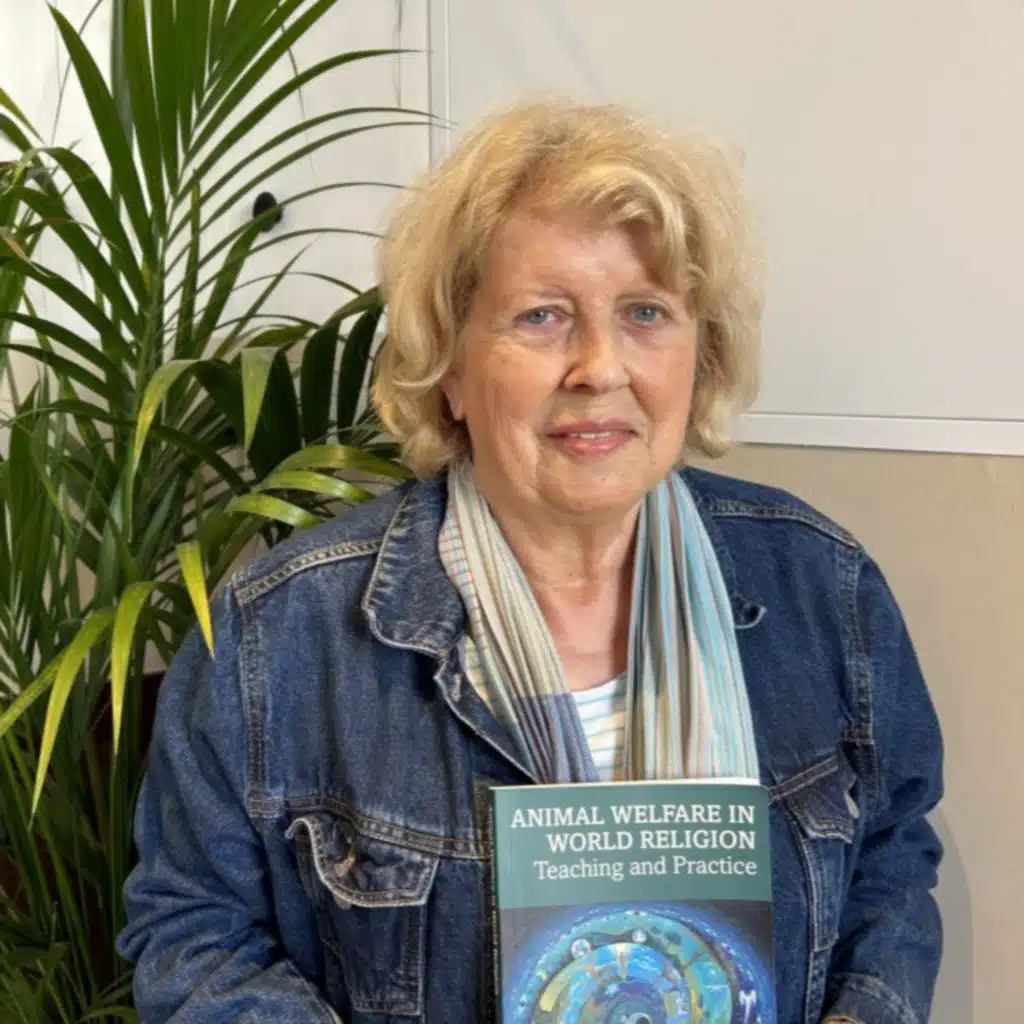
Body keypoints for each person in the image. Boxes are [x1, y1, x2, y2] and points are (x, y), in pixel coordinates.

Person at [118, 100, 943, 1023]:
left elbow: (893, 858)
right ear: (450, 368)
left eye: (645, 313)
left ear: (700, 354)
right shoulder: (278, 636)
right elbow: (193, 932)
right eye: (542, 316)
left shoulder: (823, 588)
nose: (599, 367)